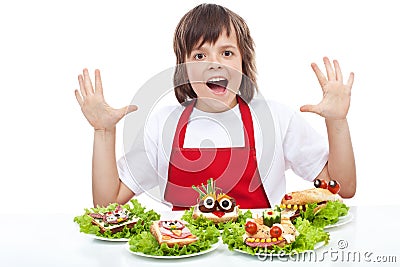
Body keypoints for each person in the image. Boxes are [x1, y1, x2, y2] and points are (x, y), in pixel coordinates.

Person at [74, 3, 356, 209]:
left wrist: (337, 122)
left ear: (243, 62)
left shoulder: (276, 118)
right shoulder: (164, 123)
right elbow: (107, 202)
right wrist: (103, 132)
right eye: (199, 55)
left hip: (258, 253)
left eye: (227, 52)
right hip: (186, 253)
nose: (215, 63)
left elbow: (343, 188)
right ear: (183, 68)